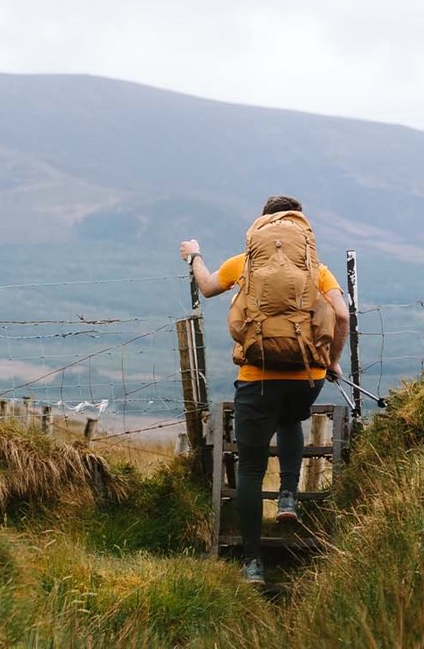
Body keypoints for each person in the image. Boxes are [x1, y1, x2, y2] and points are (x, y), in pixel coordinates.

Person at [179, 195, 351, 586]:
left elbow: (207, 287)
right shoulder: (316, 270)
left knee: (252, 469)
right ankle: (288, 495)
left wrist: (194, 256)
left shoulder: (245, 264)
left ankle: (253, 563)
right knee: (292, 419)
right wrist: (331, 361)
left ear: (263, 226)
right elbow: (341, 315)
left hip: (257, 378)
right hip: (305, 376)